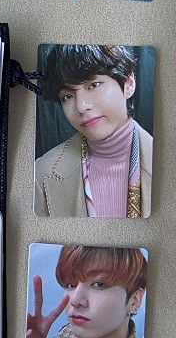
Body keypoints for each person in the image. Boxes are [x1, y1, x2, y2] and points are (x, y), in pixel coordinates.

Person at [34, 45, 152, 217]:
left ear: (128, 84)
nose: (81, 107)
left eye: (94, 85)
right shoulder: (42, 172)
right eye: (67, 96)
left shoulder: (167, 162)